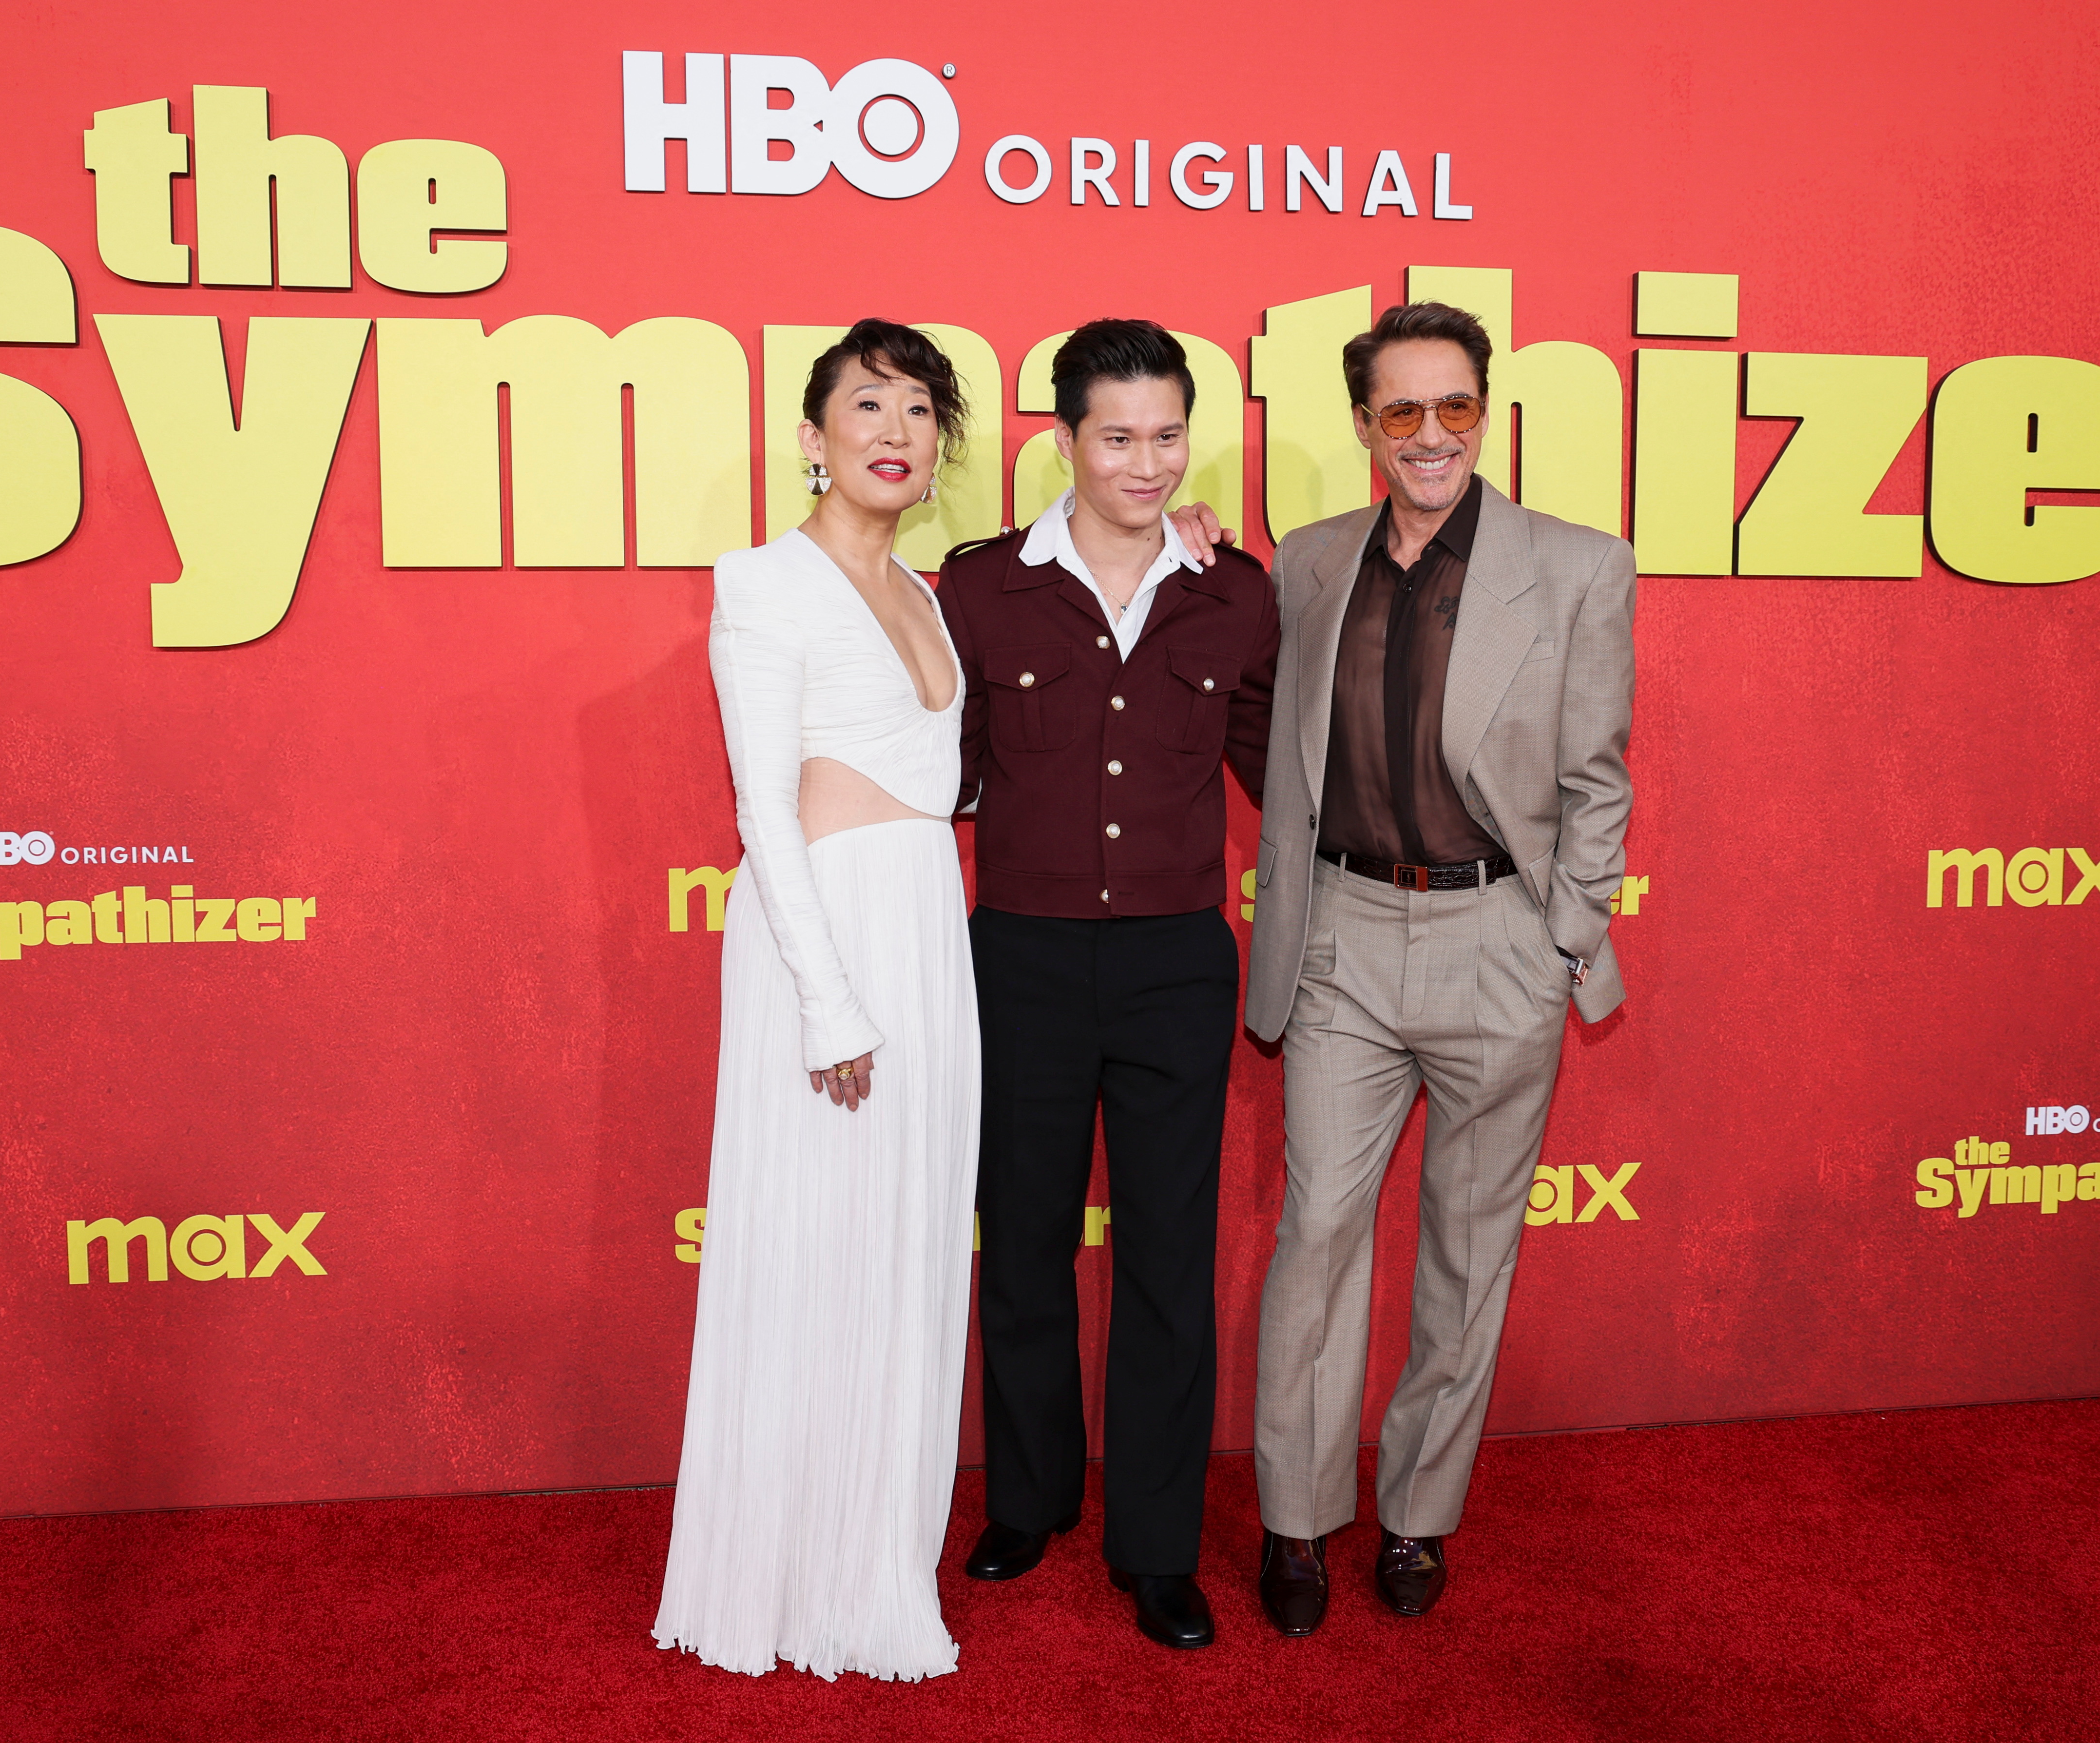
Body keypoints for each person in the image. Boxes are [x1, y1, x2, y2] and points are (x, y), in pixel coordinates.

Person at [1244, 301, 1636, 1636]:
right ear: (1363, 426)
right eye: (1401, 411)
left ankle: (1417, 1516)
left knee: (1469, 1252)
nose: (1431, 435)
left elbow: (1596, 782)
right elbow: (1269, 737)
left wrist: (1559, 940)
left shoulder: (1578, 568)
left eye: (1454, 406)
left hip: (1495, 944)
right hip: (1344, 939)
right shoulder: (1303, 564)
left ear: (1487, 411)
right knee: (1318, 1237)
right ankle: (1294, 1524)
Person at [936, 320, 1279, 1650]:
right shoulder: (979, 590)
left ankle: (1155, 1545)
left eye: (1167, 436)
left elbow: (1280, 772)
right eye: (1119, 437)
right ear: (1063, 440)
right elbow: (938, 765)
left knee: (1165, 1259)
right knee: (1020, 1239)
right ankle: (1024, 1501)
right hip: (1019, 954)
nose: (1146, 463)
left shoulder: (1234, 592)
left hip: (1173, 962)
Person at [654, 320, 981, 1682]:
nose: (893, 429)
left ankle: (874, 1561)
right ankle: (786, 1578)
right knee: (814, 1251)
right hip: (827, 940)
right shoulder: (761, 583)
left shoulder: (933, 592)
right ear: (812, 433)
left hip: (926, 928)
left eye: (917, 408)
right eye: (867, 404)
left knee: (904, 1252)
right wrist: (828, 1004)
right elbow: (763, 812)